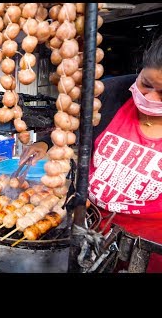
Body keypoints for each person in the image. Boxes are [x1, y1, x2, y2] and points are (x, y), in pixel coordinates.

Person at [20, 35, 162, 272]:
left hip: (147, 248)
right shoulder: (113, 91)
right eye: (146, 84)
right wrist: (45, 143)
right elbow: (74, 123)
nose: (149, 98)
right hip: (89, 226)